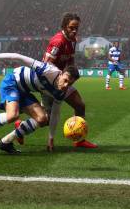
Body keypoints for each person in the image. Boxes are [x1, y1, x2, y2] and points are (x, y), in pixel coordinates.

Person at [0, 50, 80, 155]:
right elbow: (17, 56)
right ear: (60, 74)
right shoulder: (47, 70)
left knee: (43, 119)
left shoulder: (61, 93)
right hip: (13, 82)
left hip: (25, 92)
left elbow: (55, 113)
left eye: (69, 84)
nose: (65, 86)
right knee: (12, 116)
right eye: (65, 80)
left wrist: (51, 138)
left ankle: (6, 142)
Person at [40, 13, 98, 150]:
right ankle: (20, 123)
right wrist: (61, 77)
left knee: (80, 105)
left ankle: (79, 140)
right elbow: (46, 65)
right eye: (72, 28)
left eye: (77, 28)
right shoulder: (57, 41)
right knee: (44, 120)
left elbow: (70, 61)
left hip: (62, 80)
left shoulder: (73, 40)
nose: (74, 31)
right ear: (64, 26)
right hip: (49, 82)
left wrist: (71, 74)